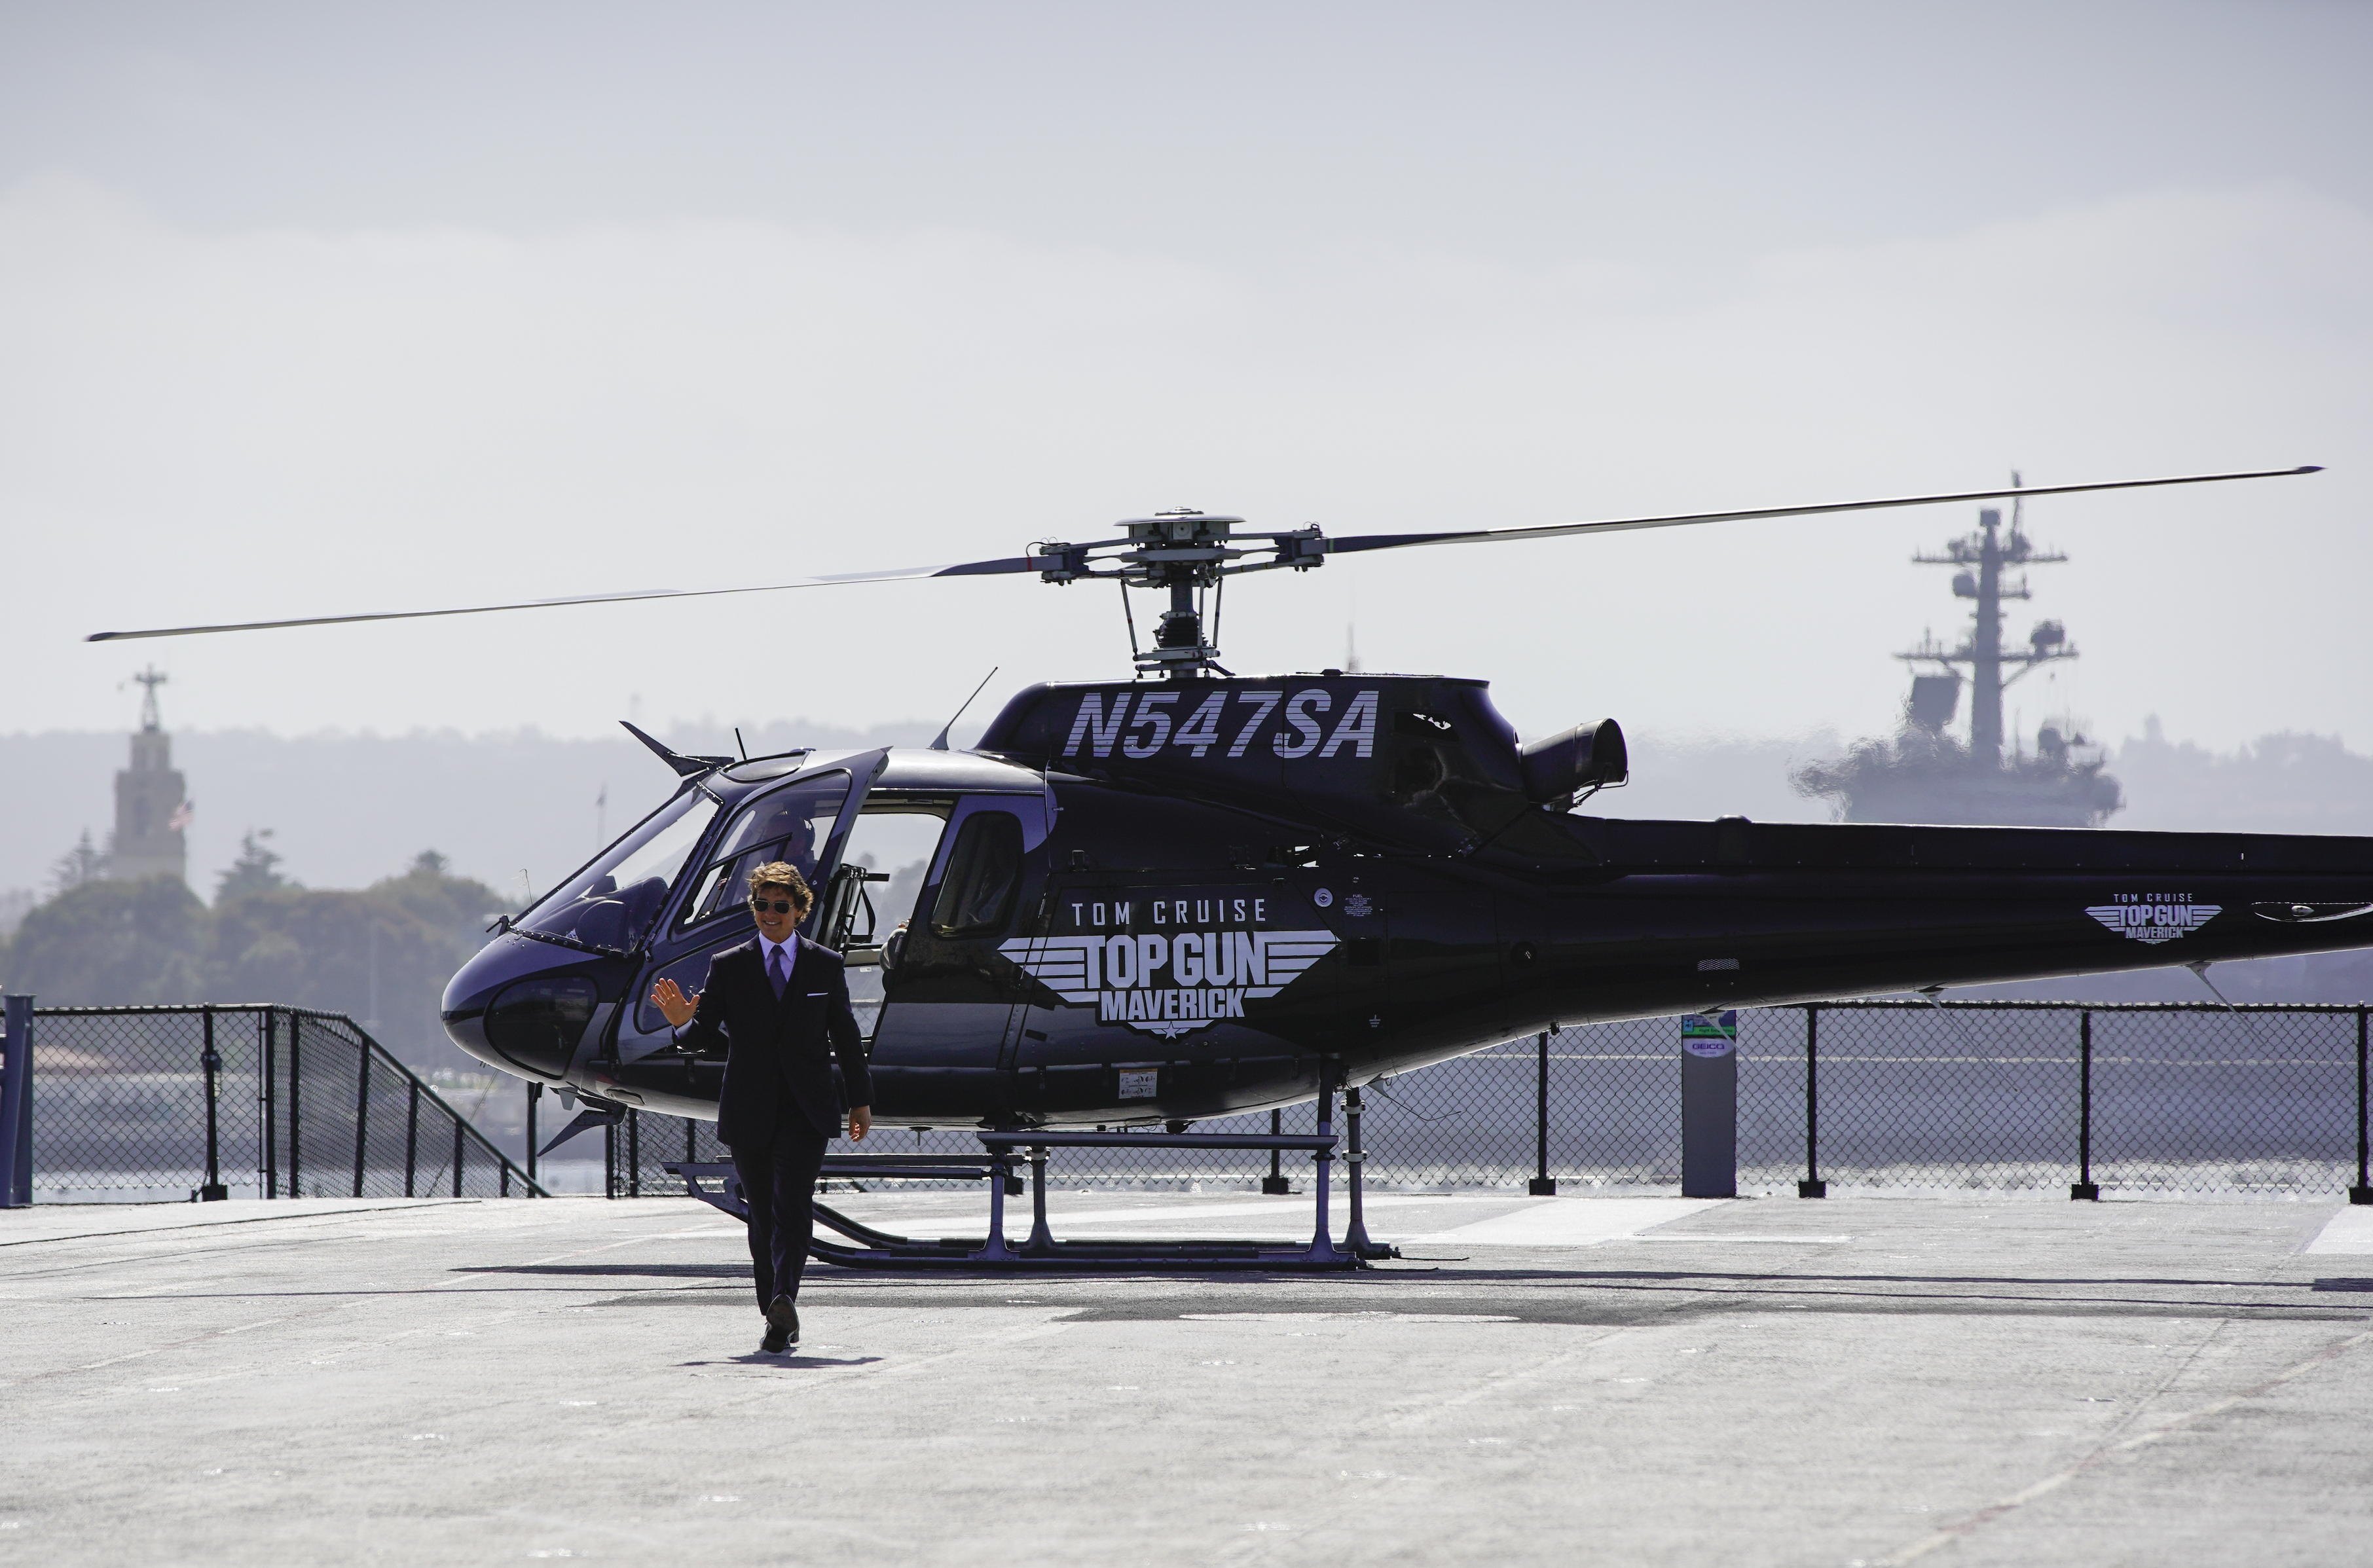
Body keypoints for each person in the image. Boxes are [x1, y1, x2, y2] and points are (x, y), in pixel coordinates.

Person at [651, 862, 872, 1353]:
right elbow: (702, 1036)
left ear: (798, 910)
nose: (769, 914)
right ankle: (775, 1314)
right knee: (763, 1218)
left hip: (806, 1109)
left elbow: (847, 1037)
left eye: (779, 906)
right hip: (749, 1109)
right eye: (761, 905)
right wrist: (681, 1023)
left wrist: (860, 1100)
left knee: (792, 1206)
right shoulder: (729, 965)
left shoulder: (825, 965)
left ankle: (784, 1297)